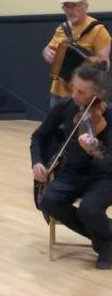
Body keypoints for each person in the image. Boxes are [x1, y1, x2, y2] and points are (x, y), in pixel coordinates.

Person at [30, 59, 112, 270]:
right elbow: (39, 137)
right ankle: (104, 239)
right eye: (73, 89)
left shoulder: (108, 116)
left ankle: (105, 246)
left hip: (104, 176)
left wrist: (94, 150)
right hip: (73, 171)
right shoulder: (65, 106)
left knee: (89, 209)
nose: (74, 96)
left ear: (99, 94)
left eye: (81, 92)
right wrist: (37, 162)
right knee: (49, 202)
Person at [42, 0, 110, 108]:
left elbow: (104, 65)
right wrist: (47, 52)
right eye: (66, 6)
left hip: (84, 95)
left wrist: (88, 63)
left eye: (74, 6)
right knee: (55, 126)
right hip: (58, 92)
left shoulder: (98, 30)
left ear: (85, 6)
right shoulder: (62, 29)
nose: (70, 10)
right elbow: (49, 49)